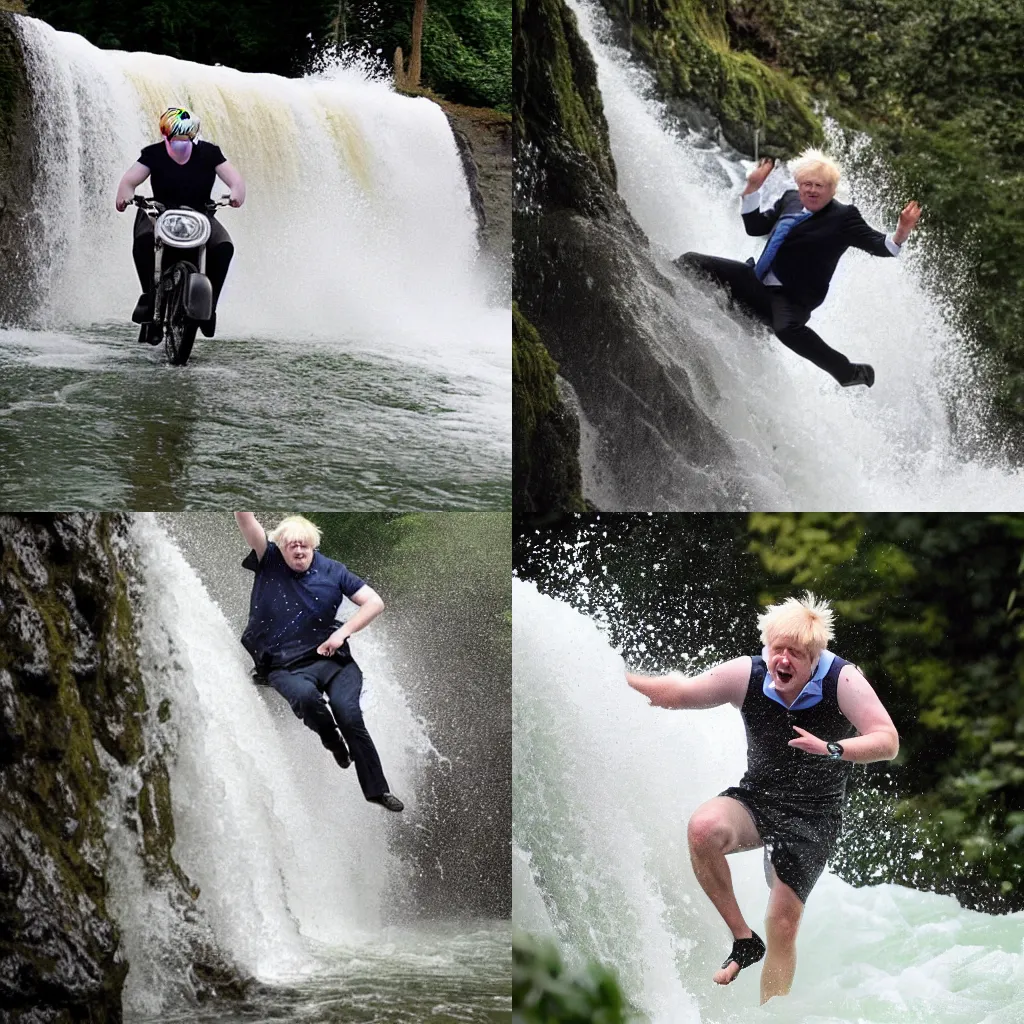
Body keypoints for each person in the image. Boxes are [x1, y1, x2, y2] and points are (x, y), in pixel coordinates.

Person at [625, 593, 899, 1003]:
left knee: (783, 925)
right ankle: (742, 938)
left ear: (814, 657)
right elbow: (676, 693)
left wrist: (832, 748)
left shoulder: (841, 680)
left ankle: (771, 1011)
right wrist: (613, 675)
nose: (783, 661)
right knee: (703, 829)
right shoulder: (747, 674)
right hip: (757, 799)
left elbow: (888, 741)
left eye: (796, 654)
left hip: (814, 815)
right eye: (777, 650)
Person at [676, 148, 922, 387]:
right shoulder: (790, 200)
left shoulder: (844, 217)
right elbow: (755, 227)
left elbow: (882, 246)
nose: (812, 190)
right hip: (756, 282)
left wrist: (902, 230)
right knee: (692, 261)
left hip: (791, 300)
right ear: (799, 183)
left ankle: (848, 372)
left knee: (786, 329)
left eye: (819, 186)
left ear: (832, 190)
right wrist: (752, 188)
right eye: (807, 184)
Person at [234, 512, 404, 812]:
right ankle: (332, 740)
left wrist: (343, 633)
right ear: (281, 547)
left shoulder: (333, 571)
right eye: (292, 546)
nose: (298, 551)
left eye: (304, 546)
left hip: (331, 659)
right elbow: (246, 520)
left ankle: (377, 790)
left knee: (349, 714)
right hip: (283, 664)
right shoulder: (268, 558)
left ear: (313, 546)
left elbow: (375, 602)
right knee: (305, 697)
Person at [115, 107, 246, 339]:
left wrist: (236, 193)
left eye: (186, 138)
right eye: (175, 138)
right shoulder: (153, 154)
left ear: (194, 136)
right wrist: (124, 196)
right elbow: (129, 180)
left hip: (200, 216)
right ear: (166, 135)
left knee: (224, 247)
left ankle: (210, 307)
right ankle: (149, 297)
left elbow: (235, 179)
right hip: (160, 213)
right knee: (144, 241)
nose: (180, 143)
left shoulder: (210, 153)